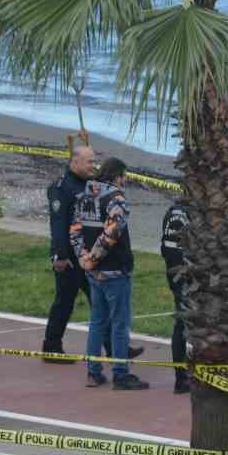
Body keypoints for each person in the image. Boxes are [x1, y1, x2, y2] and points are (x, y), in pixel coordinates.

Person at [71, 157, 148, 390]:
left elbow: (74, 228)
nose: (124, 182)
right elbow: (112, 233)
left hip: (93, 272)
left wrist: (83, 257)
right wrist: (93, 257)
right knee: (119, 324)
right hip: (115, 270)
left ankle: (93, 373)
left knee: (97, 322)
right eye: (123, 177)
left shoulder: (84, 194)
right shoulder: (116, 199)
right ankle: (120, 374)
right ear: (117, 176)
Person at [42, 144, 98, 362]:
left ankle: (115, 347)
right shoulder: (61, 188)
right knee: (64, 301)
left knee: (99, 301)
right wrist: (61, 256)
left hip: (87, 254)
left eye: (94, 161)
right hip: (70, 258)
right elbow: (58, 224)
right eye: (89, 161)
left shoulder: (89, 183)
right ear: (74, 162)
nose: (93, 165)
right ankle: (51, 347)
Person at [160, 197, 191, 395]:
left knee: (182, 323)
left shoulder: (171, 212)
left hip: (173, 274)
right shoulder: (193, 215)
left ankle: (182, 375)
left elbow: (164, 246)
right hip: (189, 277)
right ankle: (181, 379)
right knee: (184, 324)